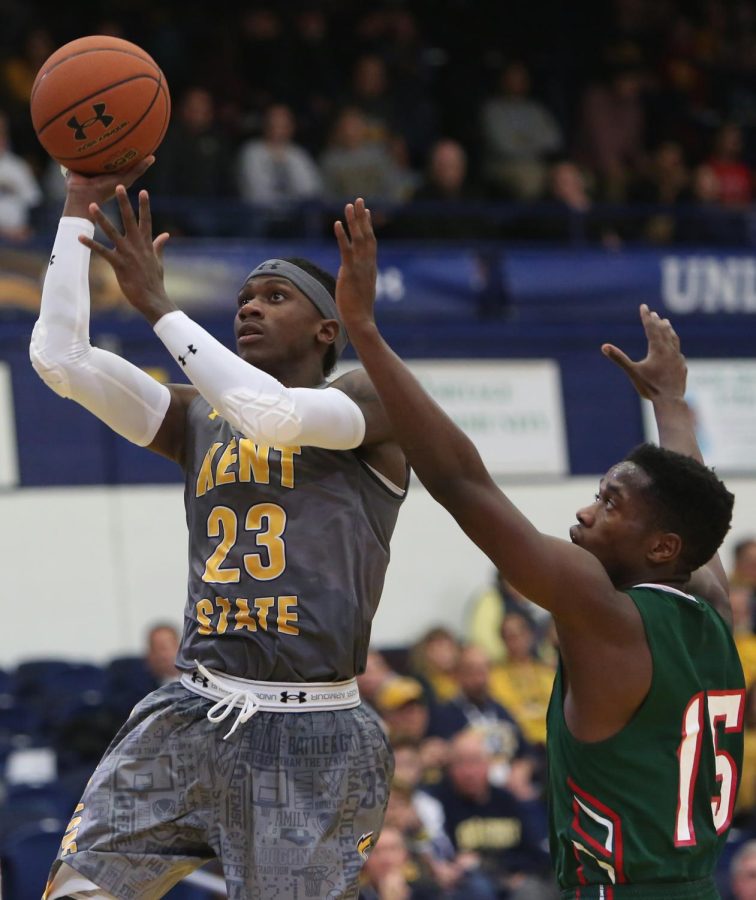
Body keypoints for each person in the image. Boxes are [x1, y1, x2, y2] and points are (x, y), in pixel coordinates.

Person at [333, 197, 744, 898]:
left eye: (612, 505)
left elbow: (465, 484)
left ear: (659, 546)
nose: (585, 513)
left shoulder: (607, 616)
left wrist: (366, 332)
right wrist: (671, 405)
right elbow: (691, 502)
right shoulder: (710, 601)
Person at [30, 164, 408, 900]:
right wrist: (79, 201)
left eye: (274, 298)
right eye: (242, 299)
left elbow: (275, 415)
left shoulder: (370, 399)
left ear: (326, 329)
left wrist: (159, 307)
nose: (249, 309)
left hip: (311, 735)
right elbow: (61, 358)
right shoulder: (196, 415)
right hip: (193, 707)